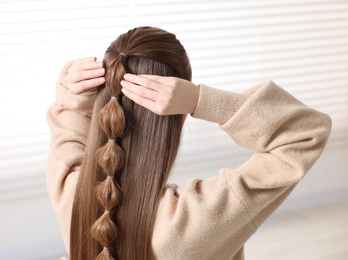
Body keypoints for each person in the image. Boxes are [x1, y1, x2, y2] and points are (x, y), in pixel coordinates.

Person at [46, 26, 331, 260]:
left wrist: (71, 86)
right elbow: (305, 133)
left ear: (103, 104)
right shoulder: (195, 218)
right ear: (177, 115)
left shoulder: (70, 192)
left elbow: (67, 122)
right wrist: (200, 100)